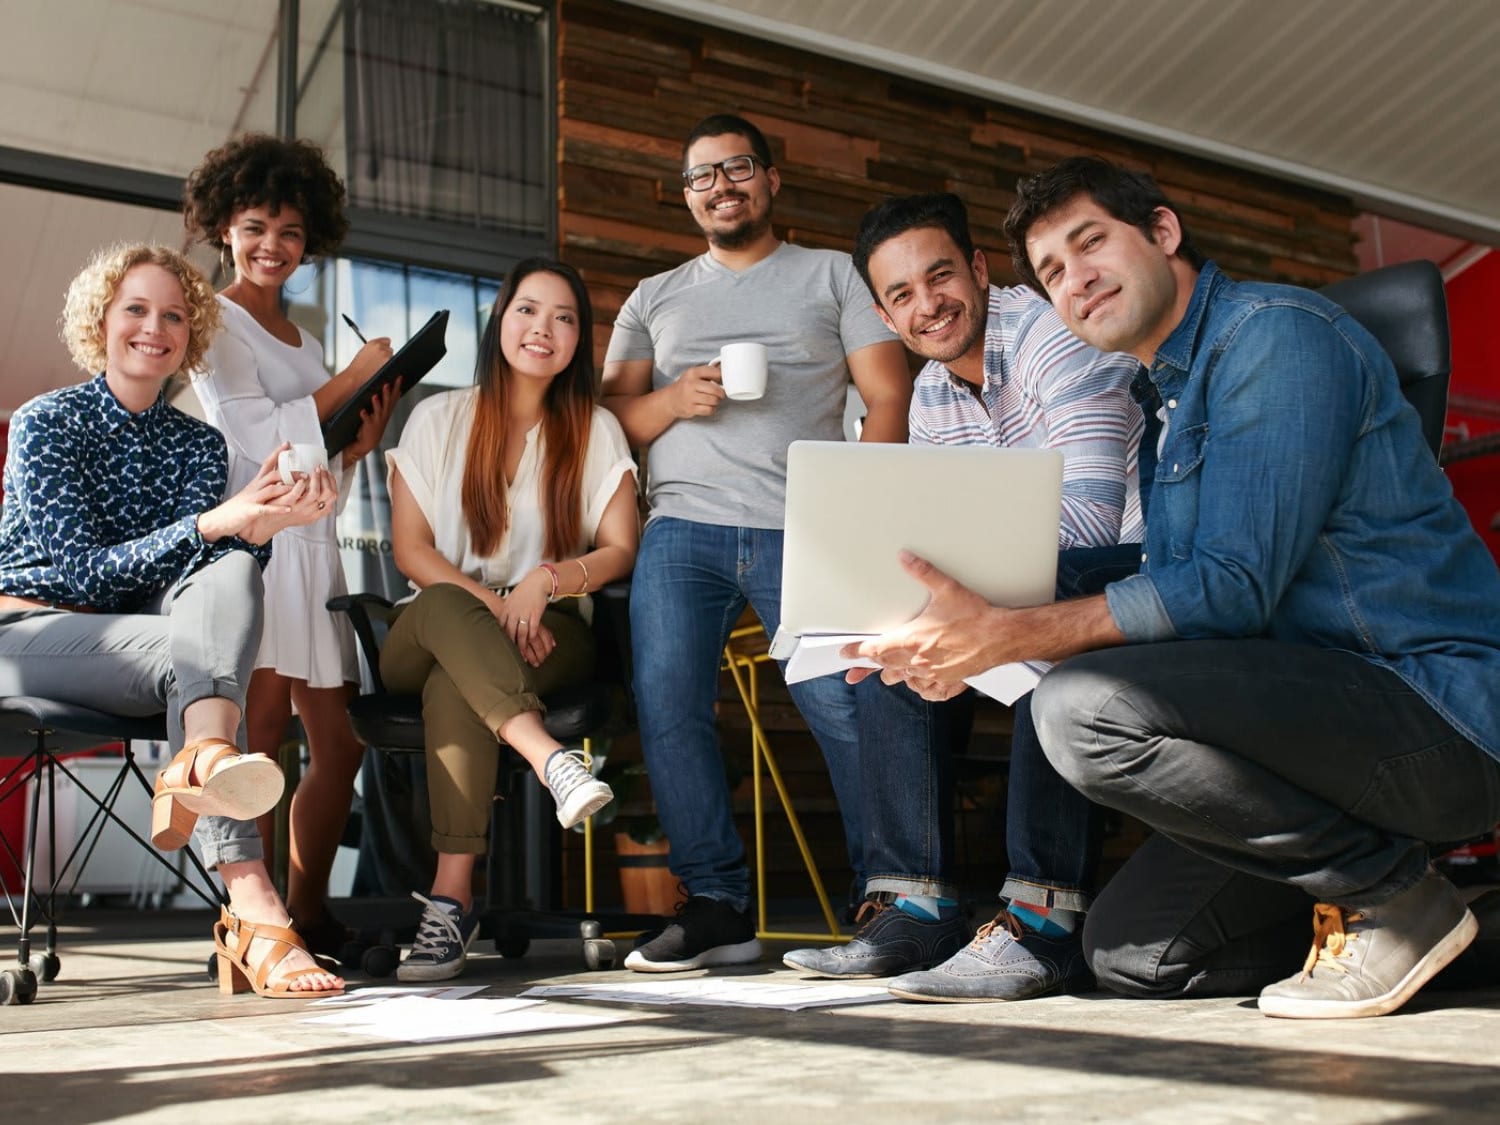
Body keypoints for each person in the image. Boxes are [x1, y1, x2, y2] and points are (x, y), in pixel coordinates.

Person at [849, 155, 1500, 1019]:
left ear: (1162, 232)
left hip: (1431, 713)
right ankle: (1458, 925)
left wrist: (1013, 633)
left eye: (1092, 246)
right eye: (1051, 271)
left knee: (1079, 708)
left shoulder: (1277, 336)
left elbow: (1230, 592)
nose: (1075, 282)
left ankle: (1390, 893)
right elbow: (1183, 604)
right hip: (1302, 739)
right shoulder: (1167, 401)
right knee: (1136, 956)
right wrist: (962, 650)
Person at [601, 113, 957, 973]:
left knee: (845, 699)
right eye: (702, 176)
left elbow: (887, 400)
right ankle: (718, 904)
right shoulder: (654, 295)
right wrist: (674, 401)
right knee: (669, 701)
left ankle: (897, 894)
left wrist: (855, 512)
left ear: (771, 179)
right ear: (686, 197)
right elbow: (609, 417)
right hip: (682, 525)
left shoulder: (834, 275)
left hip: (807, 524)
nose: (721, 186)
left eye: (737, 168)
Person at [782, 191, 1145, 988]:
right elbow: (936, 548)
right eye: (901, 296)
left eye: (940, 276)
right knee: (893, 628)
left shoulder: (1055, 334)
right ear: (883, 313)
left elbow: (1091, 522)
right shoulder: (930, 394)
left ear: (979, 269)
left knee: (1040, 590)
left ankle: (1045, 919)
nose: (928, 305)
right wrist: (931, 618)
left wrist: (968, 613)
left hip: (1129, 576)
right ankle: (914, 908)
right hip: (1024, 585)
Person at [0, 243, 343, 998]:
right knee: (208, 639)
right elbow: (83, 572)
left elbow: (194, 581)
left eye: (175, 315)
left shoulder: (198, 445)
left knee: (226, 575)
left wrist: (256, 529)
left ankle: (204, 759)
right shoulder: (45, 424)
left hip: (151, 649)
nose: (155, 327)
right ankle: (252, 906)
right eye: (137, 309)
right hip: (29, 639)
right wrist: (218, 523)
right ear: (102, 320)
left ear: (192, 334)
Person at [383, 258, 639, 981]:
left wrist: (548, 579)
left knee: (455, 685)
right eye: (528, 310)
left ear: (577, 340)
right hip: (431, 620)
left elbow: (621, 546)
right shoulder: (437, 418)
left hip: (548, 632)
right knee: (444, 610)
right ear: (501, 321)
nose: (543, 329)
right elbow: (411, 551)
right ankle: (550, 759)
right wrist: (494, 603)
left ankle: (451, 900)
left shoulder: (594, 429)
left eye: (563, 318)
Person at [183, 134, 399, 957]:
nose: (272, 245)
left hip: (317, 547)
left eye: (290, 232)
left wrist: (357, 439)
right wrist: (351, 377)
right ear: (224, 228)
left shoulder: (302, 340)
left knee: (339, 745)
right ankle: (255, 923)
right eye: (254, 226)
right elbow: (252, 434)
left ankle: (308, 911)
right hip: (262, 546)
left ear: (312, 241)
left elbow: (313, 455)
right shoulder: (214, 319)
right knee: (261, 737)